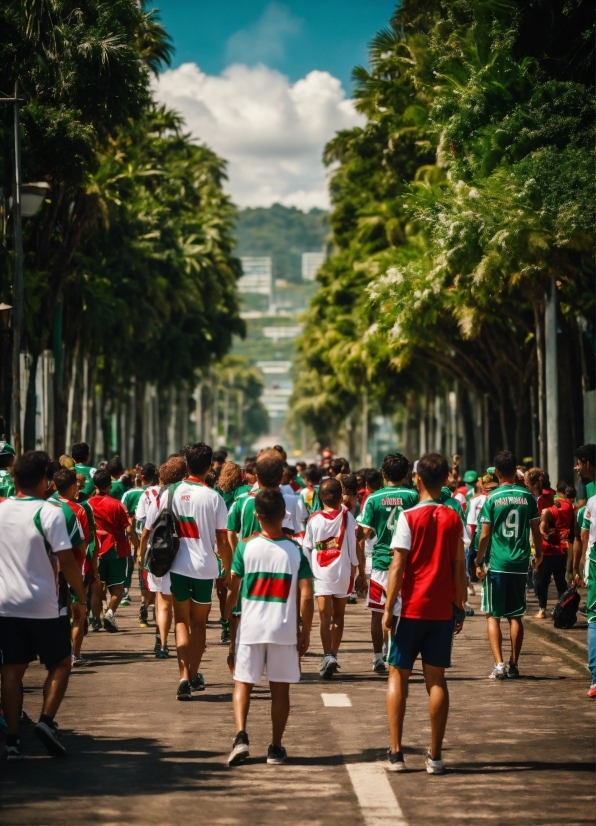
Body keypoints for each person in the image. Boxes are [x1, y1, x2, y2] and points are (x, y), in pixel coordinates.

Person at [0, 451, 87, 760]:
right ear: (44, 482)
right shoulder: (49, 513)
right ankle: (46, 721)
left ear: (14, 479)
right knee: (61, 662)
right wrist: (80, 596)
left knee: (12, 669)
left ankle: (12, 739)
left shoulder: (1, 510)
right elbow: (68, 562)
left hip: (6, 605)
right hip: (43, 603)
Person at [384, 452, 467, 774]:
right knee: (436, 681)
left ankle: (396, 753)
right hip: (441, 610)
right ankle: (435, 756)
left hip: (410, 609)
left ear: (417, 479)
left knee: (397, 675)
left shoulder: (409, 517)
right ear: (447, 479)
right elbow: (459, 566)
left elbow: (398, 565)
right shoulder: (452, 517)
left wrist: (389, 608)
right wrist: (459, 605)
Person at [224, 489, 313, 767]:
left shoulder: (245, 547)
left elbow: (233, 589)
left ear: (257, 515)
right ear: (283, 516)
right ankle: (275, 747)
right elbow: (307, 595)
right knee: (280, 691)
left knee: (243, 683)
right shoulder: (295, 551)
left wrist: (229, 621)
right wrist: (305, 631)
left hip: (251, 628)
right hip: (284, 630)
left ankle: (240, 736)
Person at [146, 443, 233, 700]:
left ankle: (183, 676)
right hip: (205, 568)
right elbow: (223, 540)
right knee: (199, 624)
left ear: (186, 465)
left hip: (177, 567)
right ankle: (194, 674)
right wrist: (227, 570)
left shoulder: (168, 492)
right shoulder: (214, 497)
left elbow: (150, 526)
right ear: (209, 468)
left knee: (181, 621)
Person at [476, 450, 543, 679]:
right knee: (516, 616)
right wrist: (539, 554)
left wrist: (478, 560)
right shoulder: (527, 497)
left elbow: (484, 536)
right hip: (519, 564)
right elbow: (536, 531)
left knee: (493, 615)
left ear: (496, 471)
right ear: (516, 471)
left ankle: (499, 665)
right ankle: (514, 664)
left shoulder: (492, 498)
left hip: (497, 564)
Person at [357, 453, 418, 673]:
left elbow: (362, 533)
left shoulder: (373, 499)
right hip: (406, 564)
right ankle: (396, 654)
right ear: (406, 474)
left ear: (383, 475)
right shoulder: (413, 496)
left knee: (377, 612)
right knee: (402, 611)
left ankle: (378, 657)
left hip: (381, 564)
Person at [303, 478, 359, 678]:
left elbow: (307, 548)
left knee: (324, 617)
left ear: (320, 497)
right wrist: (356, 569)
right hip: (343, 573)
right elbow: (353, 547)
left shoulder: (314, 519)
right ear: (340, 496)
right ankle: (334, 653)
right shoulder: (347, 517)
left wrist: (307, 573)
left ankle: (327, 655)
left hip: (320, 574)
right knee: (339, 616)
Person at [139, 457, 186, 657]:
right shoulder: (188, 494)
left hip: (161, 555)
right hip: (185, 556)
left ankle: (163, 645)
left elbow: (146, 530)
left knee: (163, 602)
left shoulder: (160, 497)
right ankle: (184, 644)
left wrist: (141, 555)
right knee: (182, 607)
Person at [51, 468, 95, 665]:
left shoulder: (45, 505)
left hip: (50, 570)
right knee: (79, 614)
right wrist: (92, 564)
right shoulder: (77, 510)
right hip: (75, 569)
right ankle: (75, 655)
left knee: (60, 612)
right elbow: (83, 543)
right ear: (73, 486)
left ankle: (56, 652)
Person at [89, 468, 138, 632]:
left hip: (96, 550)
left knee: (96, 588)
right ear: (110, 485)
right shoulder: (117, 505)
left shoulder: (87, 505)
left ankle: (95, 620)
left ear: (94, 485)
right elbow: (129, 530)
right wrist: (137, 547)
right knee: (117, 586)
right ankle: (110, 613)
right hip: (117, 550)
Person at [533, 482, 575, 618]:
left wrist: (546, 534)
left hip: (547, 550)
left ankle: (542, 610)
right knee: (560, 581)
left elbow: (542, 530)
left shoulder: (548, 510)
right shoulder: (569, 508)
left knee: (542, 581)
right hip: (562, 550)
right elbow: (573, 529)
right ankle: (561, 609)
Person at [574, 494, 596, 696]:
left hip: (595, 561)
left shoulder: (592, 501)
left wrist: (580, 564)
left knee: (594, 619)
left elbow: (584, 536)